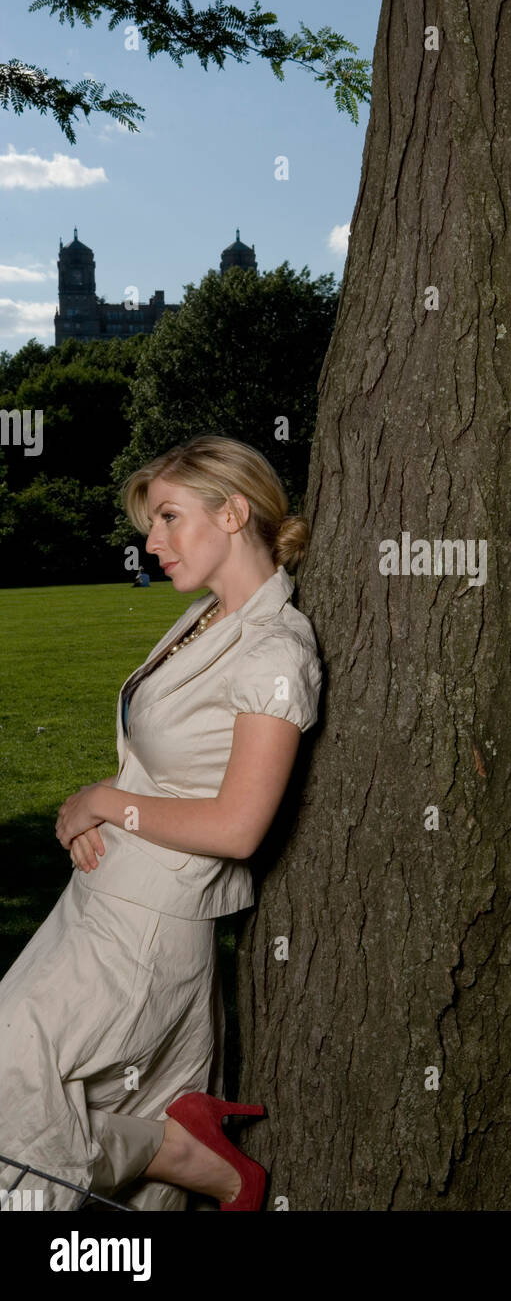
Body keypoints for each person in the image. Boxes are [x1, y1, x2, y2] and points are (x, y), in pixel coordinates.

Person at [0, 434, 322, 1211]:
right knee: (25, 1126)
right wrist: (96, 801)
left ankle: (180, 1151)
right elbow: (174, 763)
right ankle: (169, 1147)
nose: (151, 541)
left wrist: (111, 804)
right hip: (98, 903)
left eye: (170, 517)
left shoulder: (276, 651)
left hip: (146, 931)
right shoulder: (209, 619)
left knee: (13, 1118)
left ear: (234, 511)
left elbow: (240, 826)